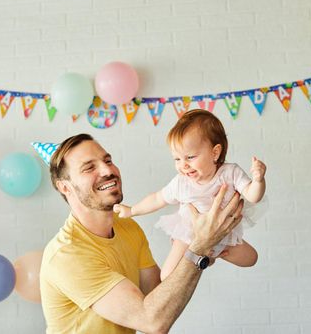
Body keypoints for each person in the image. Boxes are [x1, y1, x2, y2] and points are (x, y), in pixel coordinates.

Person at [40, 133, 244, 334]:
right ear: (65, 187)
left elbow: (159, 297)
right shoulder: (67, 254)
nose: (107, 170)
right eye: (89, 168)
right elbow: (152, 321)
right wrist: (200, 247)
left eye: (108, 160)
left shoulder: (128, 228)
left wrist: (199, 242)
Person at [114, 109, 266, 280]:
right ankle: (201, 256)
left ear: (215, 153)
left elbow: (253, 195)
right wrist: (132, 210)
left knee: (251, 258)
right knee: (167, 276)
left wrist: (258, 180)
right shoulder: (181, 183)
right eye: (177, 159)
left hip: (223, 231)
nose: (183, 165)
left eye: (190, 157)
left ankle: (214, 254)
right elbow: (158, 198)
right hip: (189, 233)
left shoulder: (230, 173)